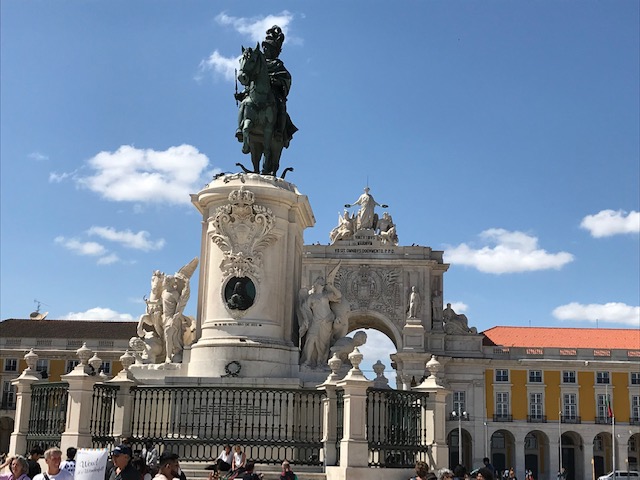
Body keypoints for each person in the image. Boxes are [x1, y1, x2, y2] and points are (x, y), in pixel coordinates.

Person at [298, 277, 342, 368]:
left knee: (323, 344)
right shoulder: (311, 297)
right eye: (320, 282)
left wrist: (332, 287)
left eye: (323, 282)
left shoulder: (326, 295)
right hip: (315, 321)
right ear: (316, 284)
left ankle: (320, 362)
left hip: (326, 322)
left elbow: (338, 296)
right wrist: (305, 319)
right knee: (310, 339)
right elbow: (304, 308)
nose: (321, 284)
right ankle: (307, 360)